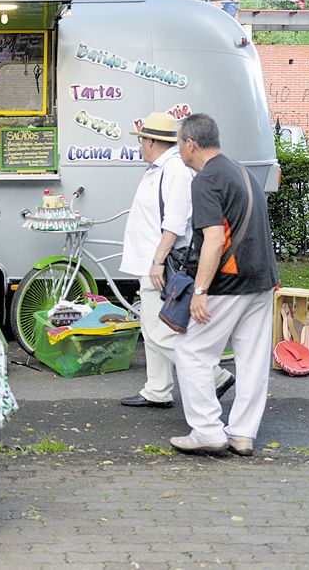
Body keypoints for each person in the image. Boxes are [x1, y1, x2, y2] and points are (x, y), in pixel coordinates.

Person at [169, 113, 279, 457]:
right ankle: (243, 434)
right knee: (252, 360)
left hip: (229, 282)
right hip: (263, 279)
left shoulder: (205, 180)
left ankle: (207, 430)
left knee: (191, 352)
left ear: (190, 144)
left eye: (178, 144)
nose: (179, 152)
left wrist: (200, 291)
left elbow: (214, 240)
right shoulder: (240, 171)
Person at [118, 113, 234, 409]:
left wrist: (157, 261)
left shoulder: (174, 171)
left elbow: (175, 221)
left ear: (153, 141)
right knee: (152, 326)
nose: (140, 145)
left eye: (142, 139)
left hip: (161, 263)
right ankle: (157, 389)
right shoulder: (160, 168)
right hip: (150, 260)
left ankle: (214, 375)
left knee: (160, 331)